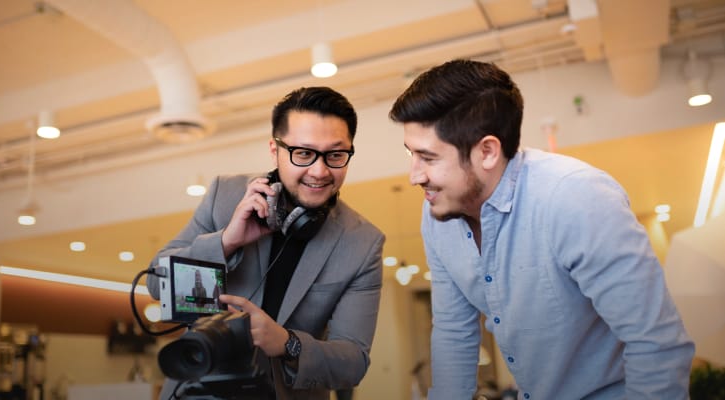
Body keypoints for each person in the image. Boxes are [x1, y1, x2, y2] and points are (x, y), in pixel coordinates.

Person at [388, 59, 695, 399]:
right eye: (411, 155)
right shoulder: (436, 214)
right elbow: (453, 332)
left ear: (487, 151)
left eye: (428, 158)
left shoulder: (575, 197)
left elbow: (656, 343)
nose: (414, 175)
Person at [147, 86, 385, 400]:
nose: (320, 170)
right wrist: (227, 241)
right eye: (303, 153)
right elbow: (155, 285)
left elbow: (353, 363)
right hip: (199, 391)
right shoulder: (225, 196)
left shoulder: (362, 243)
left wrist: (287, 342)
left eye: (336, 155)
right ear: (275, 150)